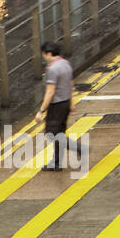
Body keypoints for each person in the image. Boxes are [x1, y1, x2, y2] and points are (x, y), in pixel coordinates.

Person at [34, 42, 77, 171]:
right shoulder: (65, 63)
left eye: (44, 54)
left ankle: (79, 148)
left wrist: (41, 110)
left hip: (56, 106)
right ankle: (57, 162)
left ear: (48, 53)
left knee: (52, 133)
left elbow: (50, 91)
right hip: (65, 104)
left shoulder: (52, 69)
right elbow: (71, 85)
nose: (43, 57)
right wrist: (71, 103)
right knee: (60, 133)